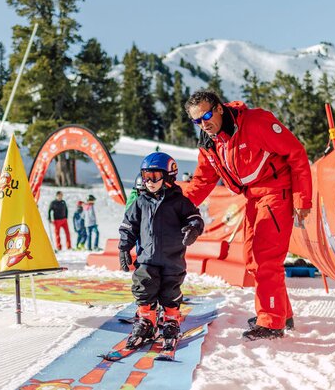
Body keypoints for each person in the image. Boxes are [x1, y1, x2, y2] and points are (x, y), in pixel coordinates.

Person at [183, 90, 312, 341]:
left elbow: (296, 153)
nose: (203, 124)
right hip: (253, 196)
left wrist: (302, 198)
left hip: (277, 190)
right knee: (252, 259)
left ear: (219, 108)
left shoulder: (255, 123)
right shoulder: (210, 142)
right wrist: (179, 209)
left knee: (265, 259)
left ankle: (271, 322)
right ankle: (281, 313)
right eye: (196, 120)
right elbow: (202, 180)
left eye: (207, 115)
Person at [118, 152, 204, 349]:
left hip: (172, 258)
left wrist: (193, 229)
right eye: (146, 176)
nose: (149, 182)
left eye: (154, 176)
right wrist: (124, 247)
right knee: (143, 288)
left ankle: (171, 321)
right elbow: (128, 226)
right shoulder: (140, 202)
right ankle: (146, 321)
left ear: (168, 176)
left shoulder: (179, 202)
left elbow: (195, 218)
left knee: (170, 291)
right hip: (146, 258)